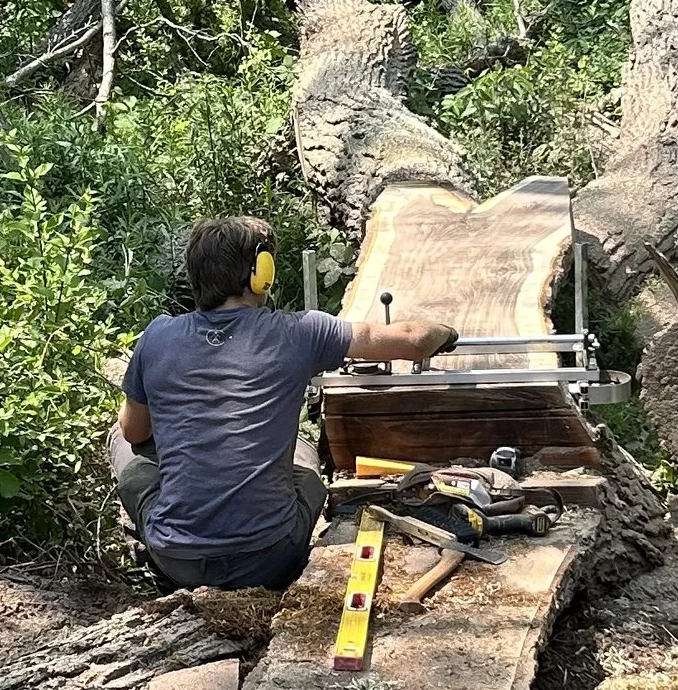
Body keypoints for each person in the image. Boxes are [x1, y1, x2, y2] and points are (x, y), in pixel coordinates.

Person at [112, 215, 458, 593]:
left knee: (125, 447)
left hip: (178, 561)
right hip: (269, 558)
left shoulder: (157, 336)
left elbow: (135, 432)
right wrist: (446, 331)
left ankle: (170, 553)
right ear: (262, 272)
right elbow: (410, 339)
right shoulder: (299, 331)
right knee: (308, 473)